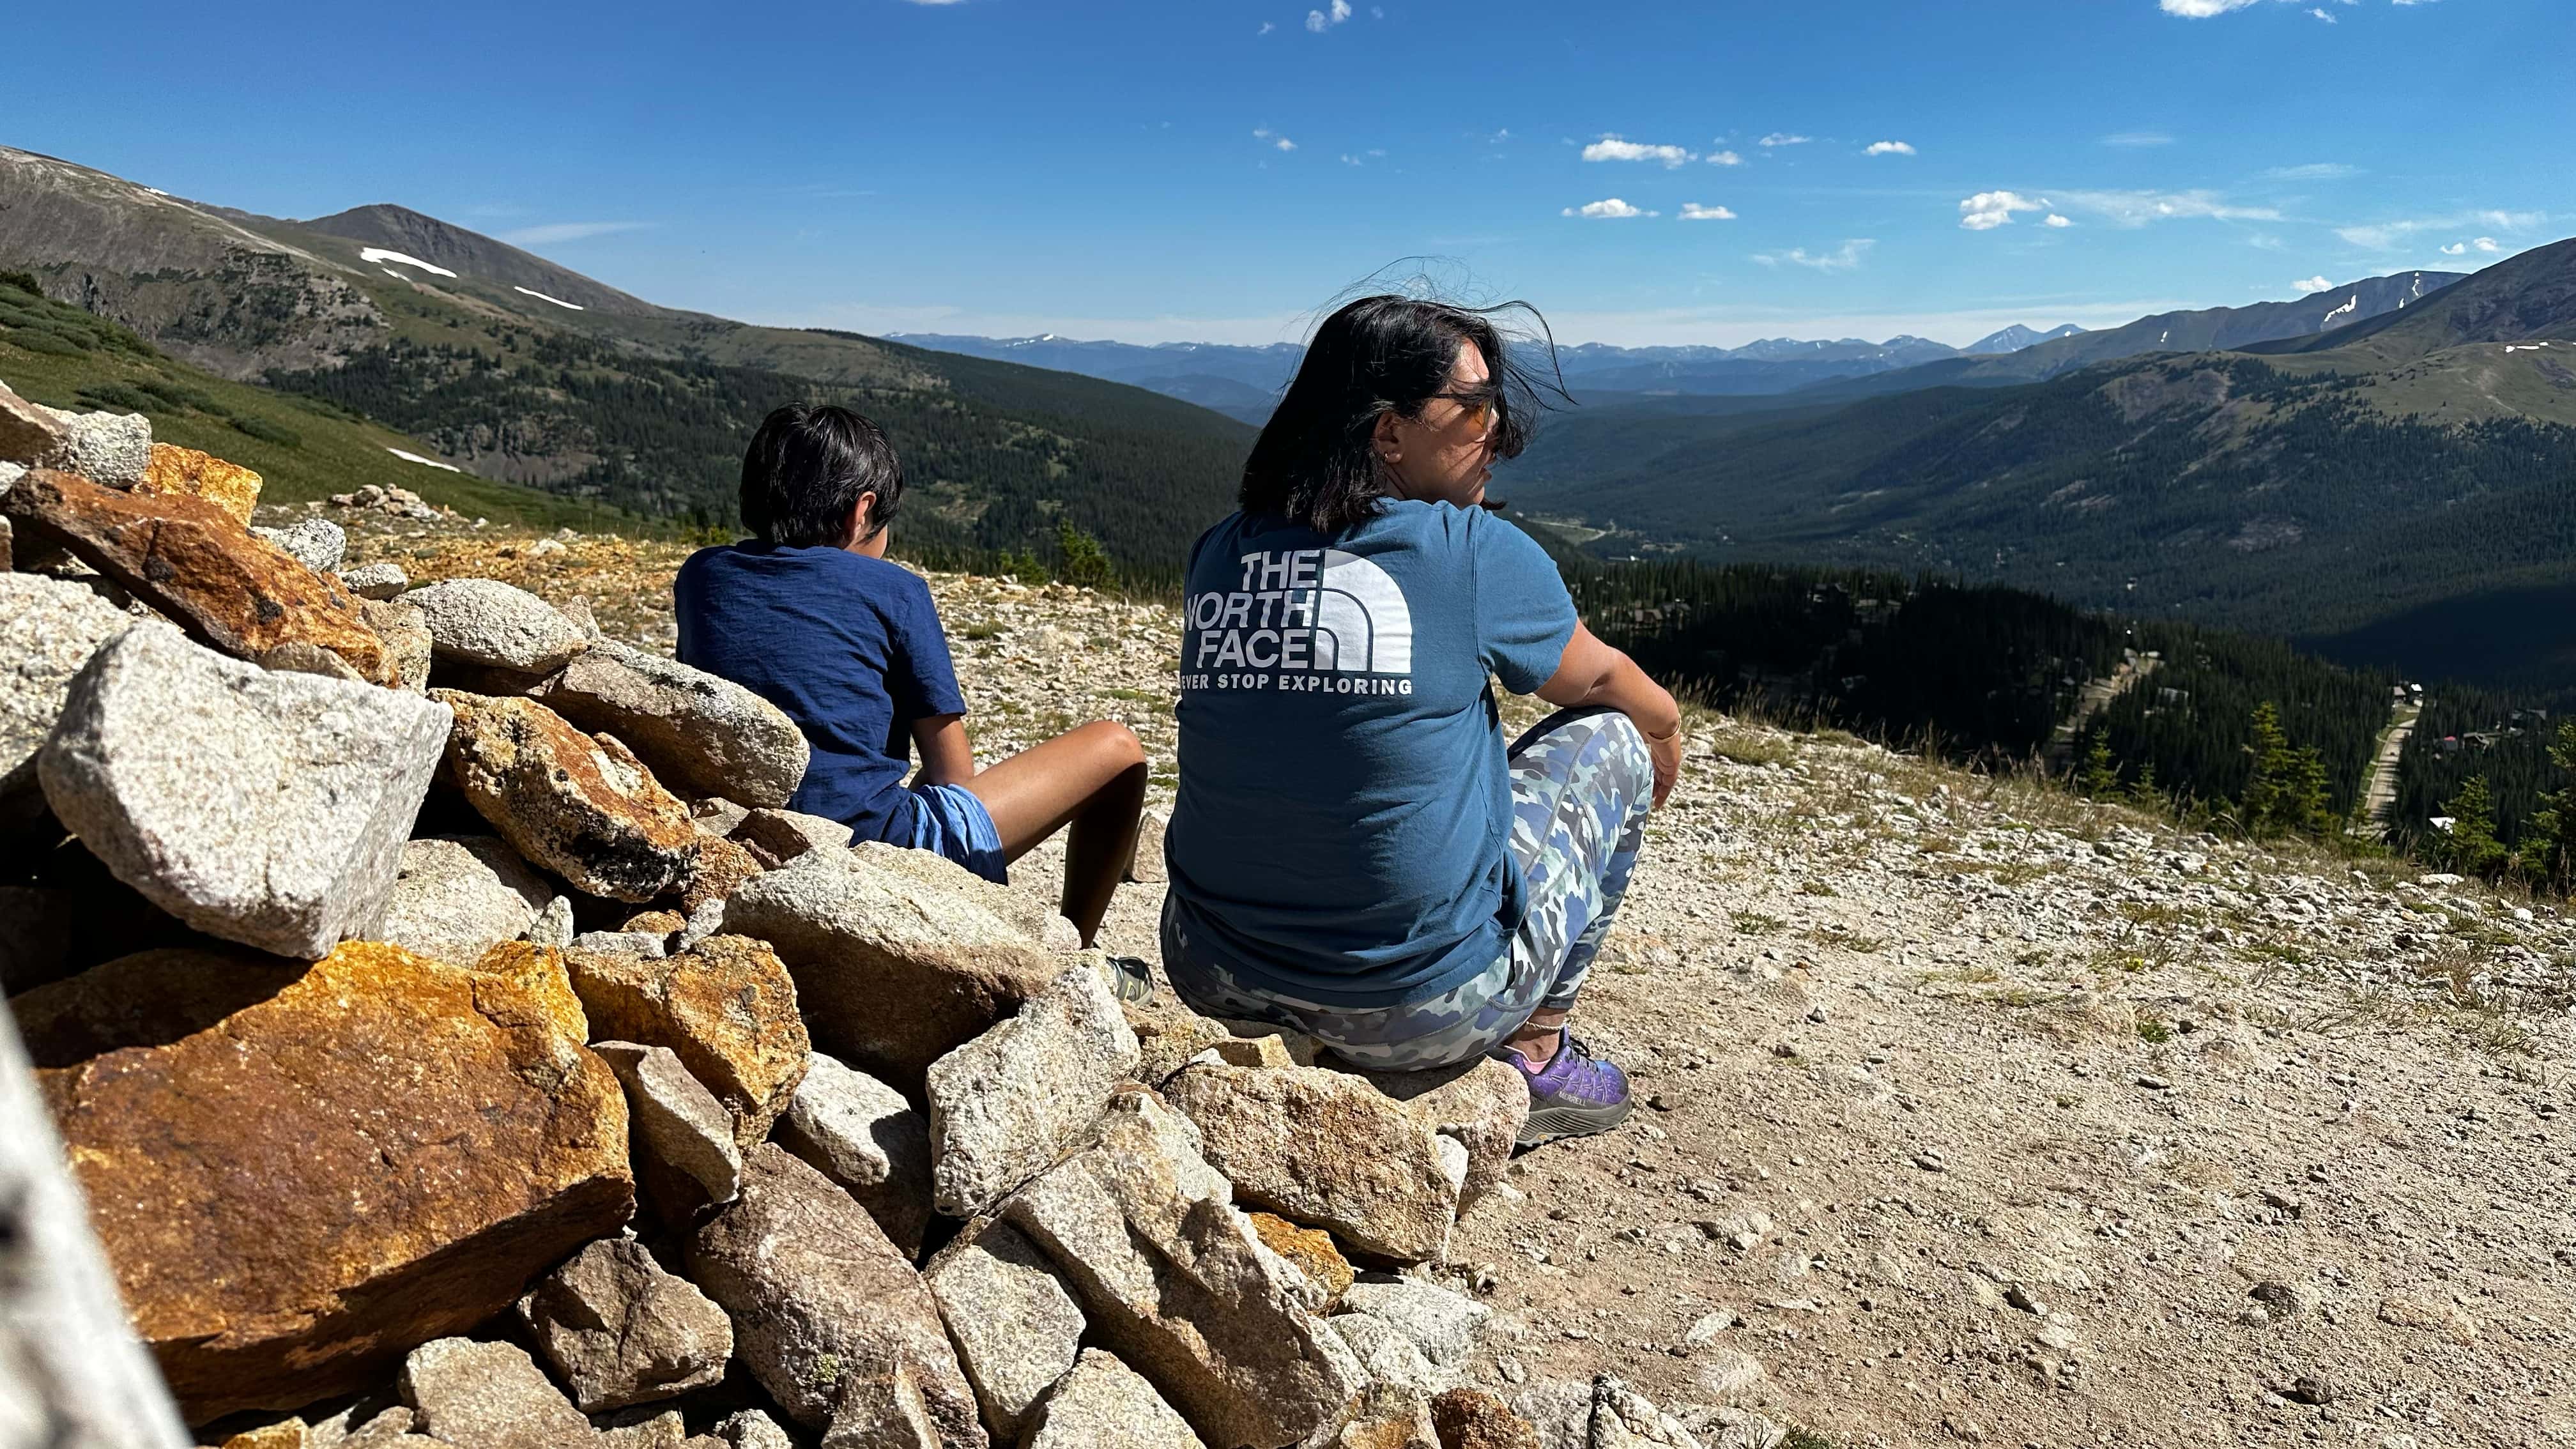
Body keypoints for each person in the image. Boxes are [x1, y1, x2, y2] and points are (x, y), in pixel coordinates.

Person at [1161, 295, 1684, 1147]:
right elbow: (1613, 686)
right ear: (1388, 434)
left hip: (1210, 967)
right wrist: (1664, 733)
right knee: (1615, 741)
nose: (1498, 432)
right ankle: (1539, 1052)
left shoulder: (1222, 548)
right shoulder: (1467, 551)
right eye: (1473, 406)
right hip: (1415, 1009)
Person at [675, 404, 1149, 949]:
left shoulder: (702, 576)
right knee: (1118, 749)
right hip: (874, 852)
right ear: (862, 511)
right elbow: (952, 774)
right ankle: (1077, 951)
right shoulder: (894, 590)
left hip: (742, 841)